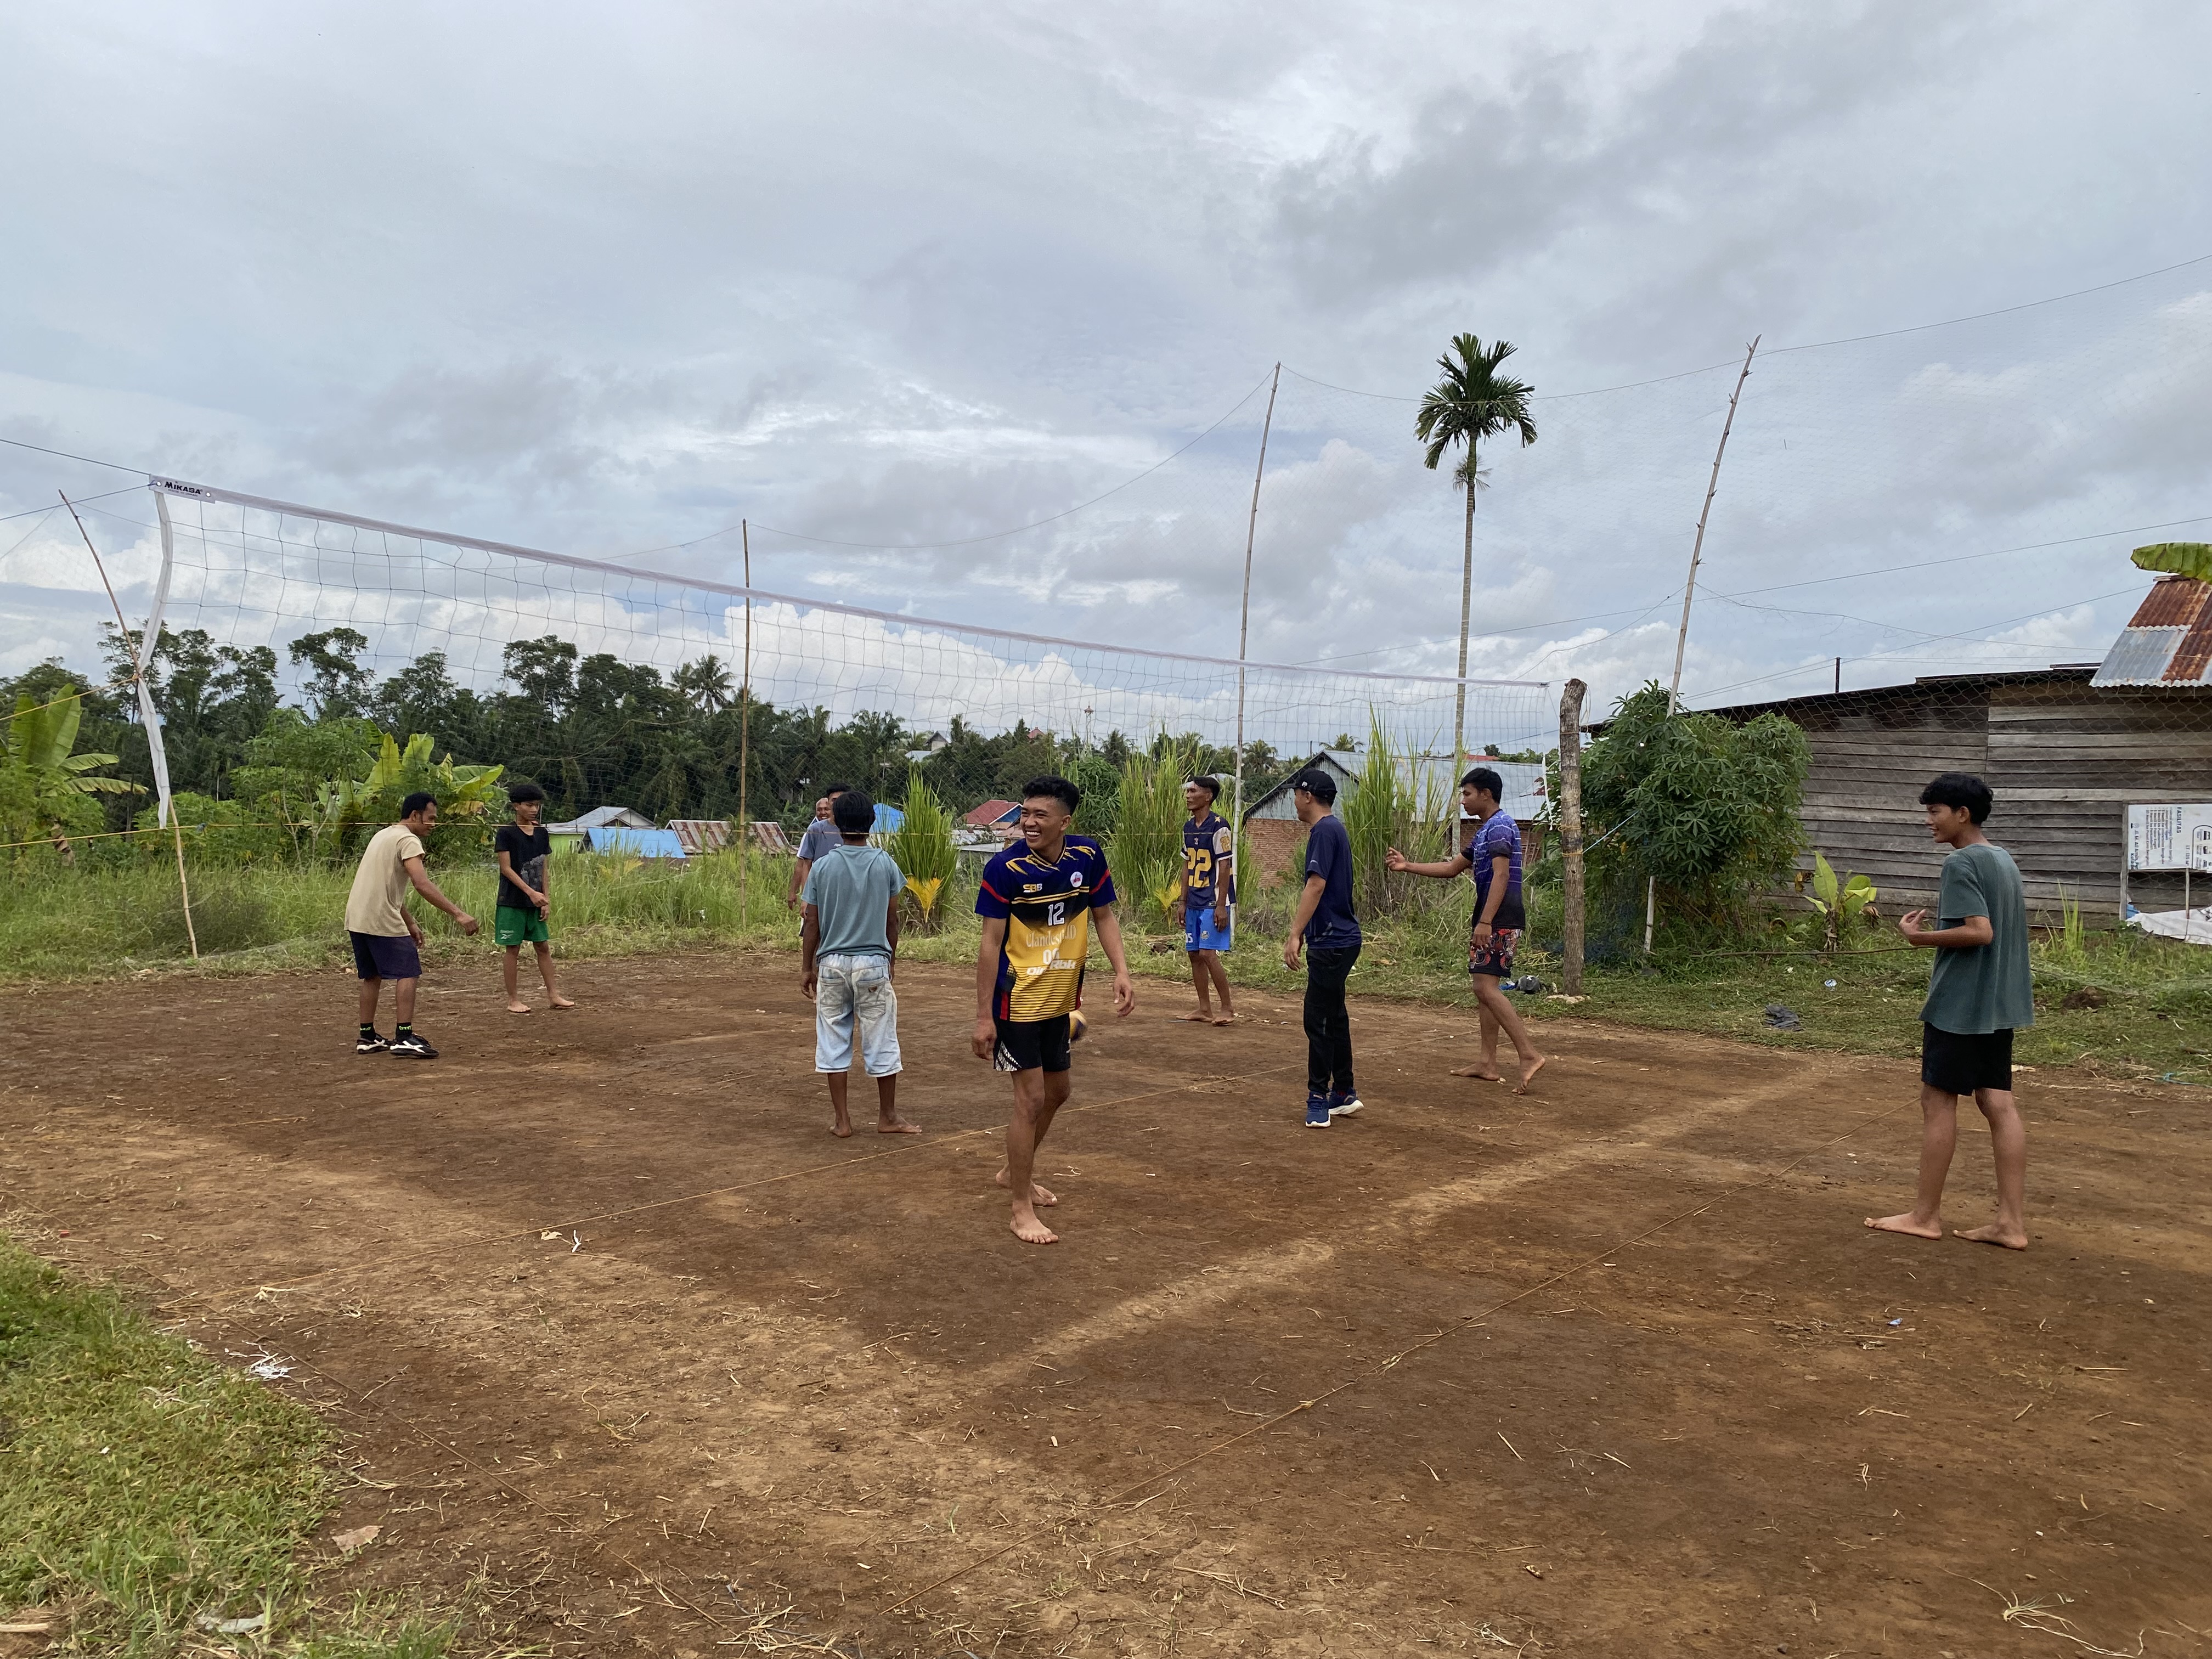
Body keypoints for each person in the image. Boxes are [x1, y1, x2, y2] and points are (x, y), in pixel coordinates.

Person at [1866, 772, 2033, 1250]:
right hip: (1999, 1004)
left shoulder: (1961, 862)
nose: (1929, 821)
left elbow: (1980, 932)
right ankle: (2011, 1224)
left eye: (1935, 811)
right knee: (1998, 1102)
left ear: (1963, 814)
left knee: (1937, 1101)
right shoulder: (2002, 859)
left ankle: (1924, 1216)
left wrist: (1919, 938)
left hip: (1962, 1005)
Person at [972, 775, 1136, 1244]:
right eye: (1025, 813)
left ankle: (1013, 1171)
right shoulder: (1004, 869)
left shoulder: (1087, 856)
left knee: (1058, 1092)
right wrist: (984, 1017)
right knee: (1031, 1100)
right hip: (1017, 1001)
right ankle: (1019, 1208)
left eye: (1040, 815)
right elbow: (990, 945)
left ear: (1065, 822)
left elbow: (1104, 915)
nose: (1028, 822)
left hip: (1062, 1000)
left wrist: (1122, 971)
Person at [1386, 766, 1547, 1092]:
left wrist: (1486, 921)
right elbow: (1451, 869)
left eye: (1467, 794)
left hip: (1499, 918)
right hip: (1494, 917)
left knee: (1486, 989)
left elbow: (1502, 875)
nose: (1463, 801)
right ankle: (1487, 1063)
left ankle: (1529, 1054)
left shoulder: (1499, 827)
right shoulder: (1486, 831)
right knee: (1484, 988)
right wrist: (1407, 866)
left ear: (1486, 794)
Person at [800, 789, 919, 1138]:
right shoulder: (885, 863)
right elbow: (892, 920)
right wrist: (891, 957)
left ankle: (842, 1121)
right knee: (881, 1038)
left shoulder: (823, 866)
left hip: (832, 963)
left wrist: (807, 967)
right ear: (872, 821)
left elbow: (812, 922)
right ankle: (888, 1116)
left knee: (833, 1040)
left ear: (835, 822)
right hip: (873, 962)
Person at [346, 791, 479, 1058]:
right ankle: (404, 1036)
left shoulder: (382, 835)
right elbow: (421, 883)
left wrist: (410, 923)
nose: (433, 824)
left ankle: (367, 1036)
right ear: (415, 815)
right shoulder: (408, 839)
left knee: (372, 975)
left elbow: (387, 888)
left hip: (358, 917)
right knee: (408, 971)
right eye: (431, 818)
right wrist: (459, 914)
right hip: (381, 918)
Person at [1280, 768, 1362, 1127]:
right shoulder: (1333, 829)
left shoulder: (1324, 831)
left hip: (1331, 941)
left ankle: (1318, 1097)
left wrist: (1295, 934)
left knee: (1318, 1019)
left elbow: (1315, 885)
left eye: (1296, 795)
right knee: (1334, 1015)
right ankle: (1343, 1091)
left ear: (1308, 796)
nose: (1294, 801)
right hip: (1341, 939)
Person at [494, 782, 574, 1014]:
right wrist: (530, 892)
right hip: (512, 900)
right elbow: (506, 869)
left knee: (543, 946)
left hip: (537, 901)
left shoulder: (542, 833)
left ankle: (554, 995)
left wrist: (546, 899)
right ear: (516, 806)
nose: (534, 810)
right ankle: (513, 1000)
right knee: (513, 948)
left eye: (537, 806)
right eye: (529, 805)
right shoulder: (506, 833)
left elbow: (543, 869)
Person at [1171, 774, 1237, 1025]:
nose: (1188, 795)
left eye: (1193, 791)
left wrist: (1221, 906)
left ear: (1208, 797)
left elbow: (1225, 866)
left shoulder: (1220, 826)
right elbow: (1187, 865)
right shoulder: (1188, 828)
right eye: (1188, 791)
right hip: (1194, 901)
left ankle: (1227, 1008)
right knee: (1194, 954)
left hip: (1212, 900)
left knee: (1208, 953)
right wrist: (1183, 901)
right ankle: (1204, 1008)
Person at [787, 785, 853, 909]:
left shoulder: (855, 830)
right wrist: (806, 898)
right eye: (833, 800)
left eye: (840, 800)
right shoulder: (815, 830)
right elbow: (805, 865)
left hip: (847, 894)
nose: (837, 804)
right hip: (819, 893)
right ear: (829, 802)